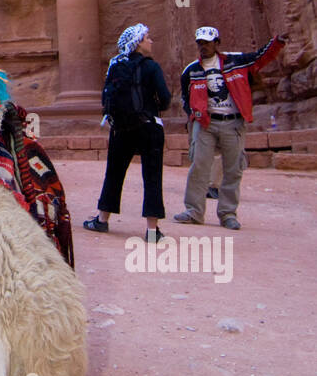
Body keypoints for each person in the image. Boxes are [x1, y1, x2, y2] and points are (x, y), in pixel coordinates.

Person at [174, 25, 287, 230]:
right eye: (200, 43)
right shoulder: (192, 70)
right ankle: (194, 211)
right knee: (199, 166)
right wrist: (193, 114)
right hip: (206, 124)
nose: (203, 47)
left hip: (233, 122)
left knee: (233, 169)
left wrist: (277, 43)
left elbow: (261, 57)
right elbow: (185, 96)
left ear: (217, 43)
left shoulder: (236, 62)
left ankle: (227, 214)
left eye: (207, 43)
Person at [84, 24, 172, 243]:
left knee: (114, 173)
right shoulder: (151, 67)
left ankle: (102, 220)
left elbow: (106, 99)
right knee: (152, 176)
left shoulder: (115, 65)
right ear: (138, 43)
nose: (151, 41)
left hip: (120, 128)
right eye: (147, 38)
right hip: (149, 127)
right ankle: (152, 231)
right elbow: (166, 98)